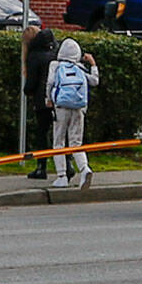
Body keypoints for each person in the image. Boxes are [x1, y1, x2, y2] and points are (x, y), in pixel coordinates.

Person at [46, 37, 95, 189]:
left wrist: (48, 98)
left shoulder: (55, 65)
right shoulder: (80, 68)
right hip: (79, 107)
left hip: (61, 107)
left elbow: (50, 82)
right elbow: (94, 81)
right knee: (76, 142)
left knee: (59, 141)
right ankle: (84, 168)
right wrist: (93, 64)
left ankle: (62, 176)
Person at [23, 20, 56, 179]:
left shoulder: (34, 56)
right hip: (58, 99)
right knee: (60, 134)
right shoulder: (54, 51)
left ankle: (41, 167)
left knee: (42, 133)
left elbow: (32, 83)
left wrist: (27, 91)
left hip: (42, 100)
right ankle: (66, 165)